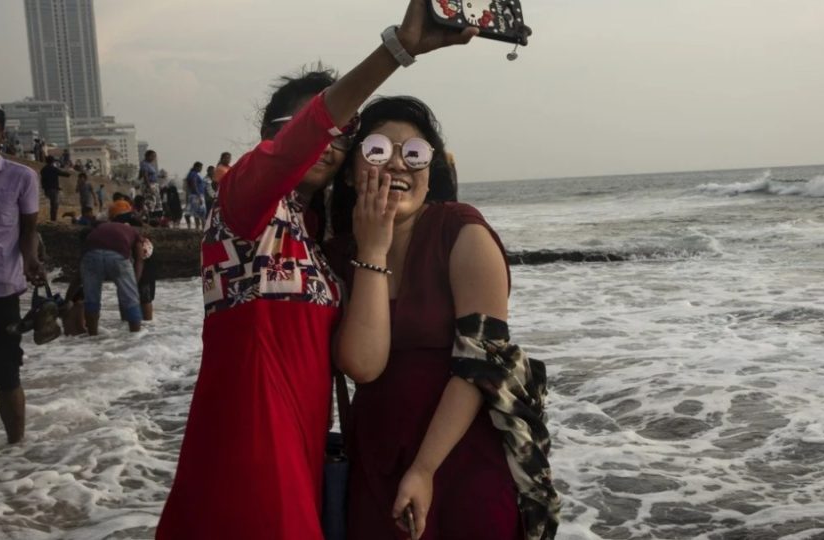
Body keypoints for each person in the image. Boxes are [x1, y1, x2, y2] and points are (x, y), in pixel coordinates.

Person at [156, 3, 477, 538]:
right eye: (317, 127)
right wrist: (397, 50)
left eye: (345, 134)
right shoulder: (243, 204)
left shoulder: (315, 234)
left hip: (299, 453)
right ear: (272, 139)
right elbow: (300, 140)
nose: (331, 140)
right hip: (248, 449)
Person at [326, 96, 558, 540]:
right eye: (377, 150)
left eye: (414, 153)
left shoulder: (461, 232)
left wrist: (424, 469)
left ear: (429, 171)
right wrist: (372, 250)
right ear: (352, 171)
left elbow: (480, 364)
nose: (397, 164)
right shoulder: (339, 253)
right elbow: (363, 365)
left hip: (462, 459)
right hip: (375, 458)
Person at [0, 104, 44, 444]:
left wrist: (31, 260)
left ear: (1, 134)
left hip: (2, 291)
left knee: (7, 374)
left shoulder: (21, 177)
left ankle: (17, 452)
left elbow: (28, 230)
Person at [79, 221, 146, 335]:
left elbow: (78, 275)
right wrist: (134, 284)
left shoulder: (100, 229)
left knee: (91, 298)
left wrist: (67, 299)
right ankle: (136, 336)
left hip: (91, 254)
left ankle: (92, 336)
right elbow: (139, 260)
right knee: (131, 299)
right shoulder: (136, 235)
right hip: (117, 256)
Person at [40, 156, 71, 221]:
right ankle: (53, 219)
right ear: (53, 161)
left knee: (52, 204)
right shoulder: (54, 169)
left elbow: (43, 180)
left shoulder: (43, 170)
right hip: (53, 189)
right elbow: (65, 174)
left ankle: (52, 219)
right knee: (54, 205)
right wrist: (68, 172)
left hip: (47, 189)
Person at [138, 150, 163, 221]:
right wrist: (149, 187)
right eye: (153, 156)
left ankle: (155, 220)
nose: (154, 158)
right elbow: (145, 176)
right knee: (150, 203)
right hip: (149, 185)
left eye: (155, 156)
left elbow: (142, 175)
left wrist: (160, 176)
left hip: (154, 185)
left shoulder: (149, 164)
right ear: (147, 156)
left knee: (157, 204)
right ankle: (146, 219)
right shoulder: (144, 164)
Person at [184, 162, 206, 229]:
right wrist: (199, 195)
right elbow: (194, 185)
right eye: (200, 167)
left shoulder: (192, 174)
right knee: (201, 213)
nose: (201, 169)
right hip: (196, 195)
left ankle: (199, 228)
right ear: (197, 167)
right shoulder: (194, 174)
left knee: (198, 213)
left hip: (195, 195)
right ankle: (201, 228)